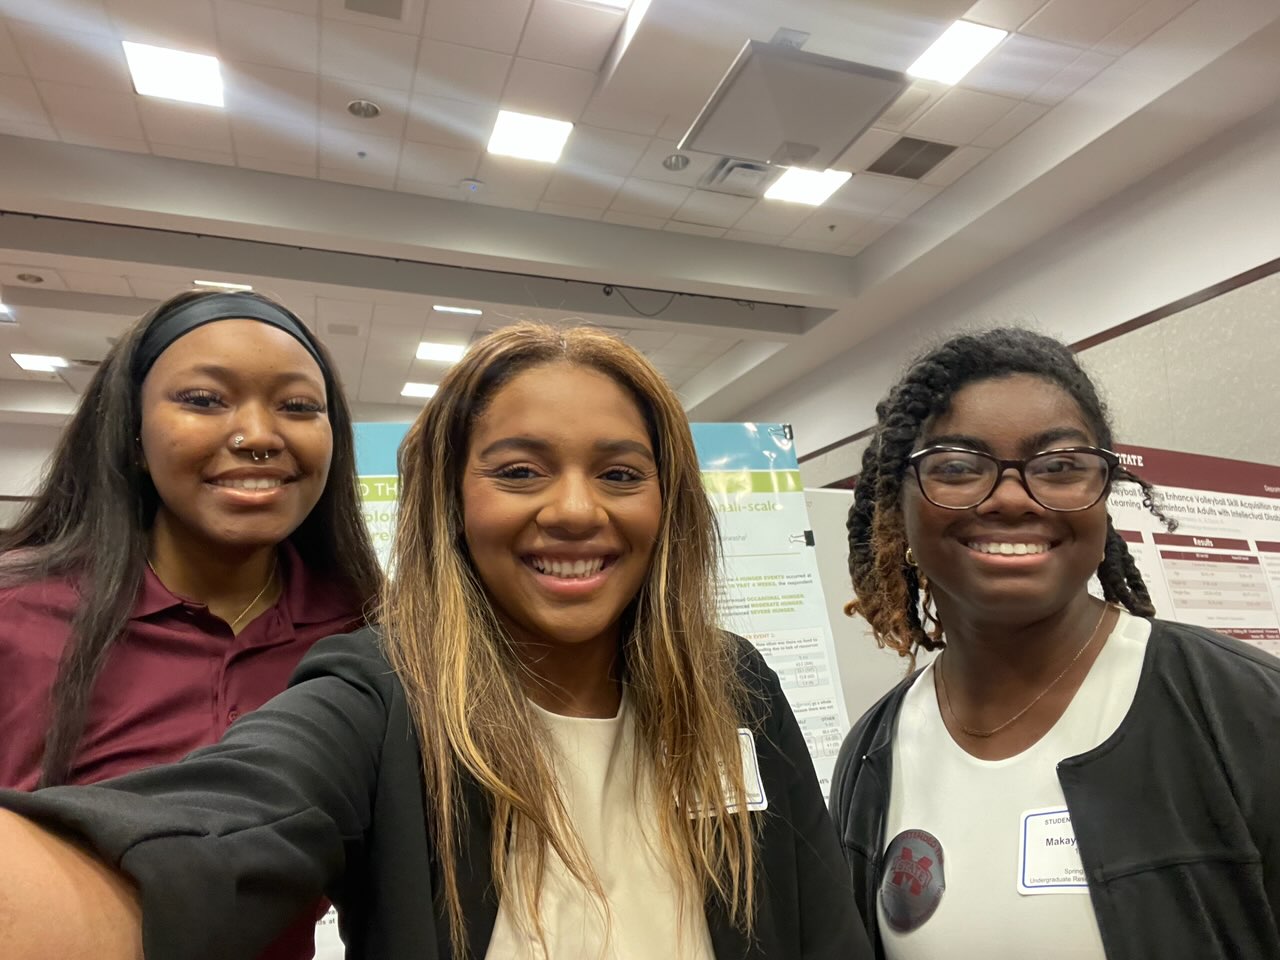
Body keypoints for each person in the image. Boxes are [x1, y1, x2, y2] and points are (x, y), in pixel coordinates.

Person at [0, 323, 868, 960]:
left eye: (620, 474)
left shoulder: (730, 682)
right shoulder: (383, 691)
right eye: (519, 471)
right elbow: (217, 827)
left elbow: (823, 927)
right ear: (451, 502)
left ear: (667, 502)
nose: (574, 510)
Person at [829, 328, 1280, 959]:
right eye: (957, 466)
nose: (1012, 497)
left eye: (1060, 466)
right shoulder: (873, 753)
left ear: (1103, 495)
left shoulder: (1245, 708)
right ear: (895, 507)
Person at [0, 289, 381, 960]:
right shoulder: (18, 619)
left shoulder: (370, 636)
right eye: (205, 400)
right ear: (134, 437)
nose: (260, 436)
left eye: (298, 406)